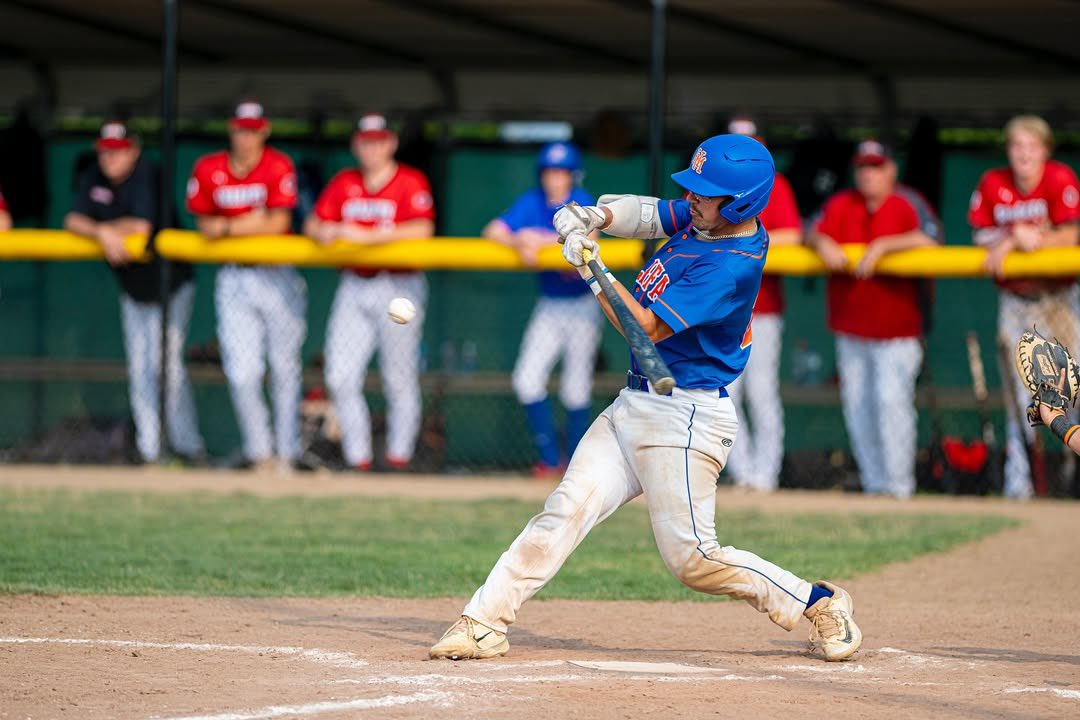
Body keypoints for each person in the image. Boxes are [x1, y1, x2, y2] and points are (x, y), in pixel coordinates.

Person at [429, 134, 862, 664]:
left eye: (708, 194)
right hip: (634, 404)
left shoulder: (729, 262)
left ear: (742, 202)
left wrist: (591, 268)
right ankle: (483, 621)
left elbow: (646, 329)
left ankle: (818, 602)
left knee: (693, 561)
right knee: (564, 509)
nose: (695, 200)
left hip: (686, 417)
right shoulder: (708, 217)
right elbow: (653, 213)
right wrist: (593, 218)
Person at [806, 139, 942, 499]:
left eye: (876, 166)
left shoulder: (907, 202)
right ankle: (874, 484)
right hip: (852, 327)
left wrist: (884, 245)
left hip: (898, 330)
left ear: (891, 170)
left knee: (890, 402)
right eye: (863, 167)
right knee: (858, 406)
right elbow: (811, 229)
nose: (868, 174)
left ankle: (898, 487)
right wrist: (822, 243)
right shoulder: (841, 203)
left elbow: (932, 240)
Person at [64, 119, 204, 464]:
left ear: (133, 151)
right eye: (105, 152)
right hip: (133, 289)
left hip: (171, 285)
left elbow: (140, 226)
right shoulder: (95, 177)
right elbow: (72, 220)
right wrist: (102, 233)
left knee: (165, 366)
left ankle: (188, 447)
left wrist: (101, 230)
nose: (110, 159)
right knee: (141, 367)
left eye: (117, 152)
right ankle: (151, 449)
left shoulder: (145, 174)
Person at [303, 114, 435, 472]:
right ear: (355, 145)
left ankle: (398, 458)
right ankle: (357, 458)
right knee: (339, 377)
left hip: (400, 287)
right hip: (356, 285)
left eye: (378, 141)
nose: (372, 148)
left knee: (399, 377)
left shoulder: (409, 180)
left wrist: (365, 235)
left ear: (391, 143)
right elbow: (312, 223)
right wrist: (324, 231)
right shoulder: (345, 182)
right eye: (365, 141)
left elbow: (423, 228)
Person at [186, 100, 305, 474]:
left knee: (284, 368)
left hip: (277, 273)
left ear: (264, 131)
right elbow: (204, 225)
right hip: (234, 276)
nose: (246, 136)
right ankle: (260, 452)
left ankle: (288, 452)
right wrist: (250, 221)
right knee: (242, 371)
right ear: (231, 130)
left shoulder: (278, 164)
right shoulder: (209, 167)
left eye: (253, 130)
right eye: (241, 129)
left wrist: (228, 226)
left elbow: (278, 221)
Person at [968, 115, 1080, 499]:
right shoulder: (993, 183)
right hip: (1016, 302)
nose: (1023, 154)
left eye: (1031, 146)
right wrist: (1014, 237)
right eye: (1016, 146)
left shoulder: (1060, 178)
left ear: (1046, 150)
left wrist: (1022, 240)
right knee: (1023, 398)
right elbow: (981, 235)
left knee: (1074, 391)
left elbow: (1071, 234)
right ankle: (1021, 484)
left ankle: (1072, 475)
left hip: (1060, 301)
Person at [482, 141, 602, 477]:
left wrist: (540, 238)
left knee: (576, 387)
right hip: (550, 306)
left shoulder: (583, 201)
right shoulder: (532, 202)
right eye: (550, 171)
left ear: (572, 175)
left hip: (582, 304)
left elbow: (593, 236)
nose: (555, 178)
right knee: (527, 380)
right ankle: (549, 460)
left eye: (562, 172)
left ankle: (575, 464)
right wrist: (518, 240)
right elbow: (492, 231)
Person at [722, 117, 803, 492]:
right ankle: (742, 472)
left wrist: (744, 239)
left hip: (764, 310)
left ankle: (766, 475)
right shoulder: (713, 187)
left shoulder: (776, 185)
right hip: (721, 311)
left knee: (761, 391)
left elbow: (792, 235)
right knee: (727, 392)